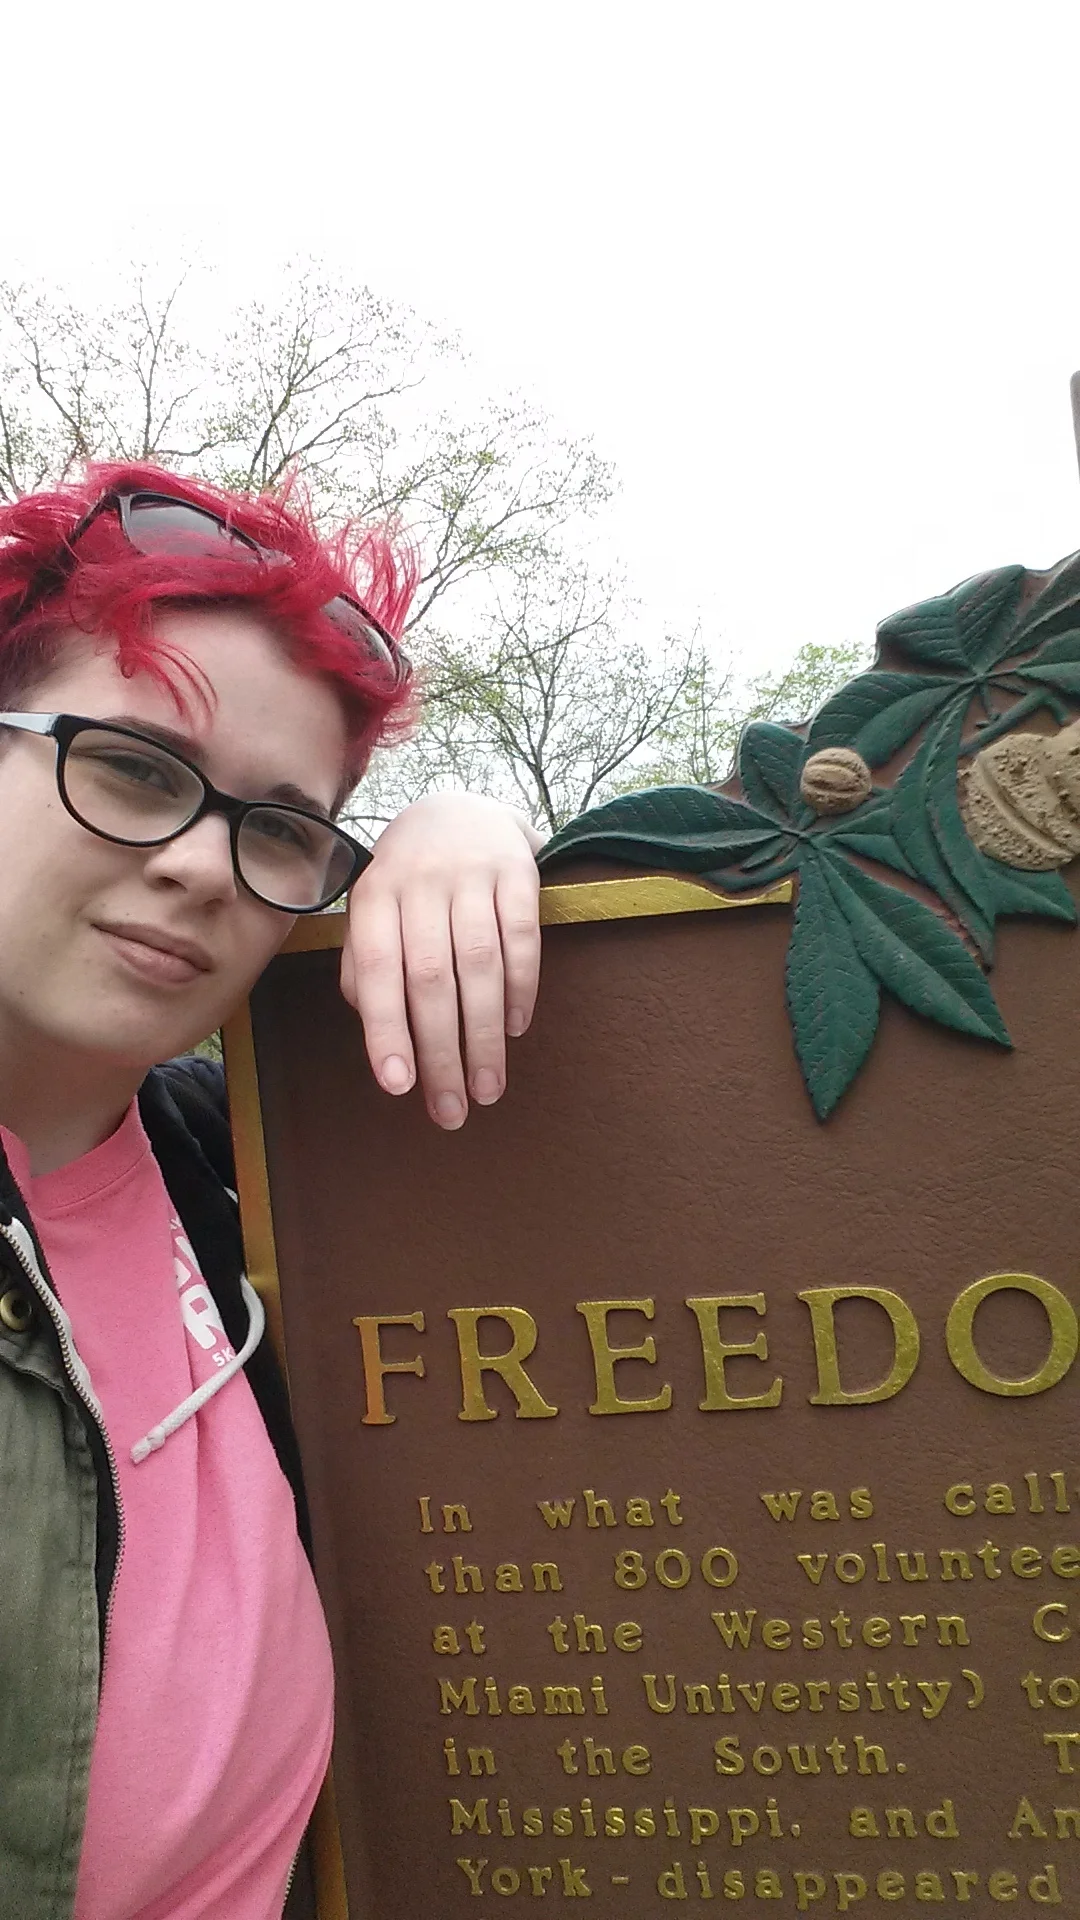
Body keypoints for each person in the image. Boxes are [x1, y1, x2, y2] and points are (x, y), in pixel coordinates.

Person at [0, 465, 544, 1920]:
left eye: (282, 827)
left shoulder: (246, 1179)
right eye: (132, 767)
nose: (201, 867)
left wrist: (460, 828)